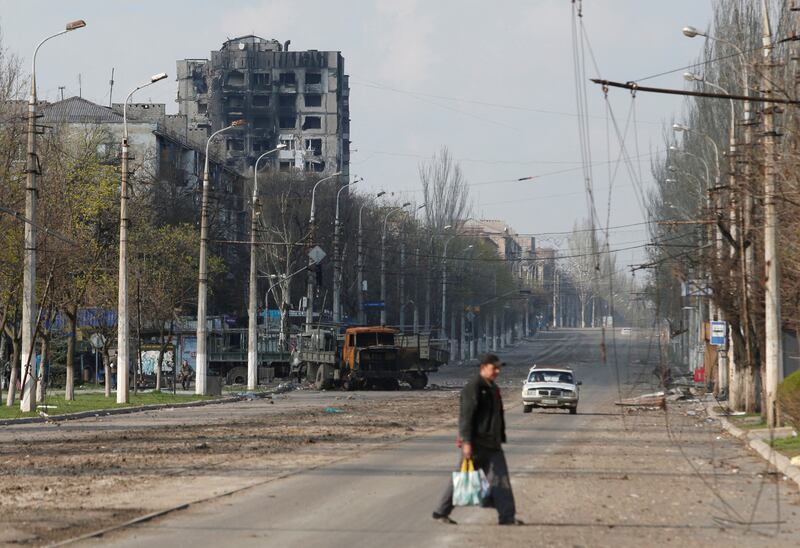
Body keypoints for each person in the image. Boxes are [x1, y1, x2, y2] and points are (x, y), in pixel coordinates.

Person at [432, 353, 523, 526]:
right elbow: (466, 417)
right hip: (476, 444)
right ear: (483, 367)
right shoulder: (473, 388)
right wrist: (466, 442)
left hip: (492, 444)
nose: (497, 371)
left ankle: (507, 517)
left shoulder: (492, 387)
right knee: (463, 478)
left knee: (500, 478)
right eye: (493, 367)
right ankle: (441, 511)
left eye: (498, 368)